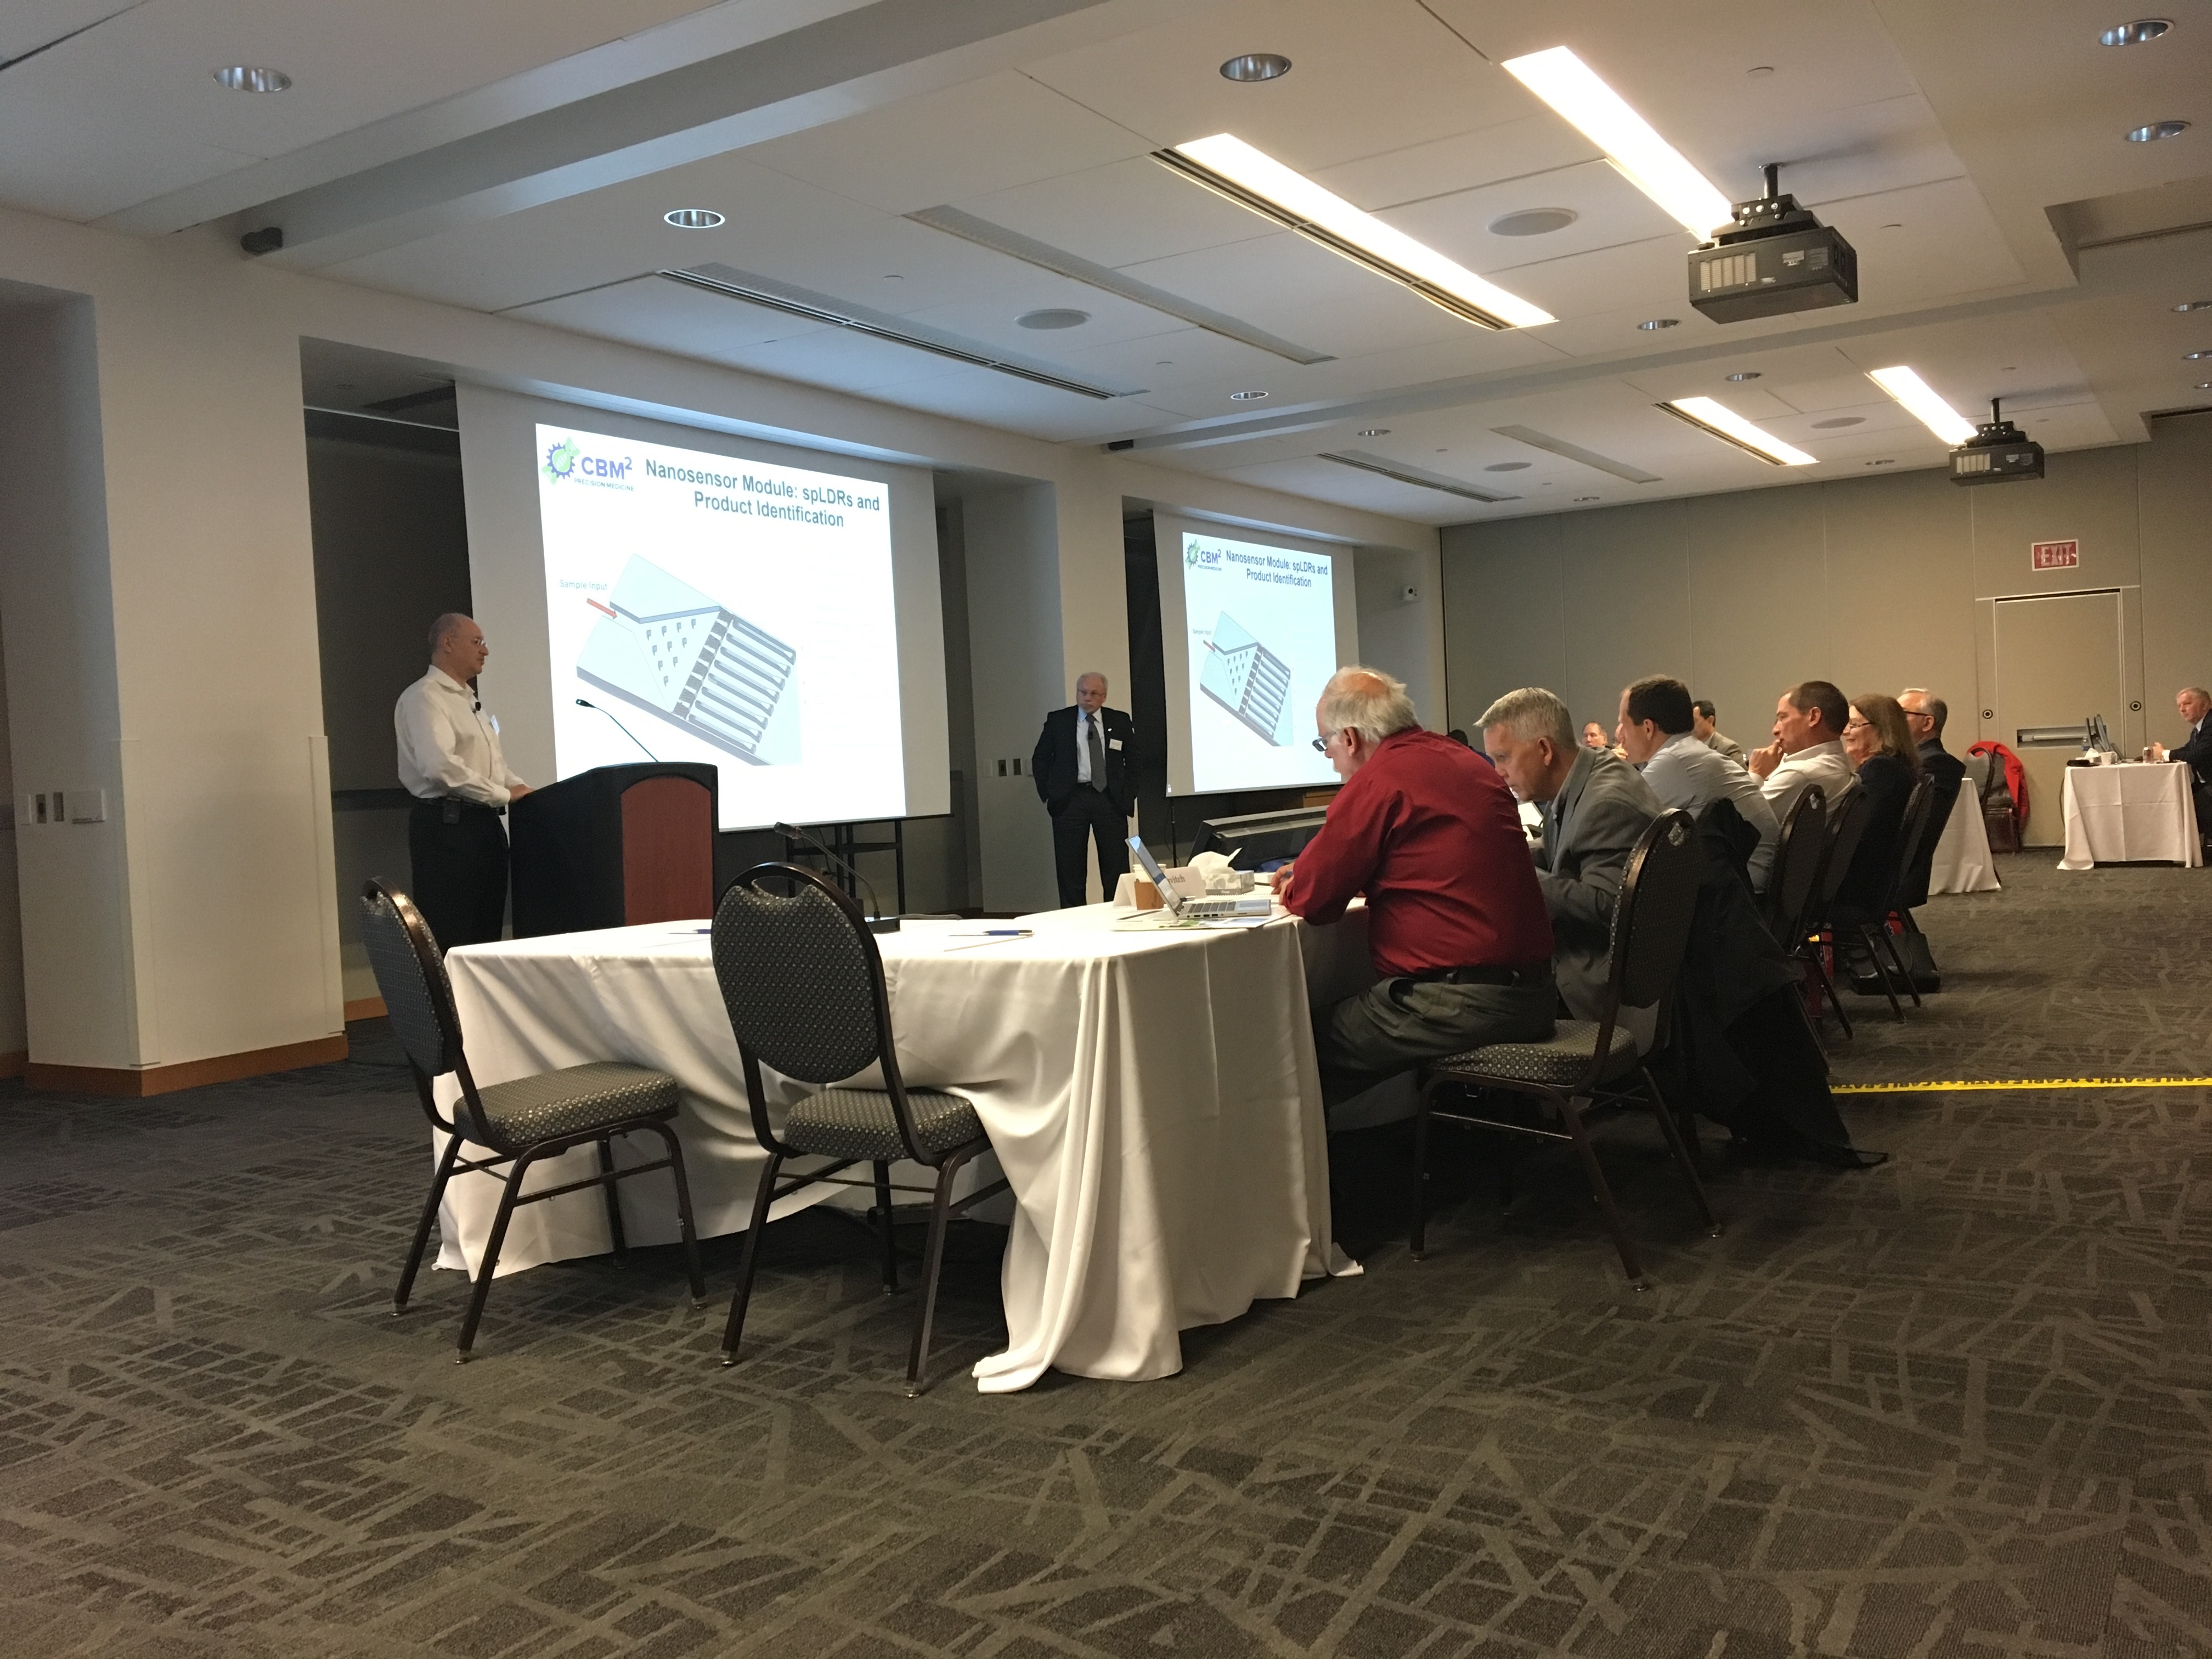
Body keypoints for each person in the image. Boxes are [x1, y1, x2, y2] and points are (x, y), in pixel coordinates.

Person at [1273, 669, 1554, 1103]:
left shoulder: (1380, 780)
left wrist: (1302, 876)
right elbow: (1437, 869)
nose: (1328, 758)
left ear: (1349, 738)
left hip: (1462, 1004)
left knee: (1288, 1052)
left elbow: (1313, 900)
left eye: (1324, 744)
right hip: (1532, 992)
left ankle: (1316, 1170)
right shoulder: (1469, 764)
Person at [1482, 687, 1661, 1025]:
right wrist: (1502, 855)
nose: (1497, 772)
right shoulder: (1590, 773)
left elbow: (1607, 903)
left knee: (1465, 999)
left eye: (1503, 757)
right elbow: (1561, 854)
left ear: (1545, 750)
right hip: (1598, 969)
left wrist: (1514, 875)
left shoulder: (1607, 804)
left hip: (1592, 992)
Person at [395, 613, 532, 949]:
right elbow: (439, 767)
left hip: (483, 827)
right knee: (452, 937)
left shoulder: (470, 702)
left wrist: (525, 791)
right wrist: (503, 794)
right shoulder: (426, 697)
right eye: (477, 642)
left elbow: (492, 766)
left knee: (486, 938)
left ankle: (478, 1004)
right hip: (448, 830)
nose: (485, 651)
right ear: (447, 643)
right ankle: (451, 1004)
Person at [1616, 675, 1780, 893]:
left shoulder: (1674, 761)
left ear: (1648, 728)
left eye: (1623, 724)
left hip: (1741, 897)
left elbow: (1618, 827)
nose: (1619, 735)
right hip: (1755, 886)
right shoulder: (1689, 751)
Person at [1032, 672, 1136, 909]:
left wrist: (1127, 794)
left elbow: (1134, 761)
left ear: (1104, 697)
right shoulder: (1059, 721)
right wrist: (1049, 793)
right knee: (1071, 869)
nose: (1087, 698)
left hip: (1109, 800)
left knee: (1115, 867)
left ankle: (1118, 914)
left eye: (1094, 694)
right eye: (1083, 692)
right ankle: (1073, 918)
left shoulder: (1119, 721)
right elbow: (1040, 759)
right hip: (1071, 800)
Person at [1832, 693, 1920, 923]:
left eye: (1853, 725)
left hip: (1858, 891)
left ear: (1882, 728)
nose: (1844, 732)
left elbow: (1860, 835)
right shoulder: (1893, 766)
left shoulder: (1881, 770)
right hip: (1875, 885)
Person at [1746, 681, 1856, 822]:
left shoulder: (1799, 774)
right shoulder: (1844, 763)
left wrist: (1756, 773)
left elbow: (1738, 824)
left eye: (1783, 718)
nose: (1775, 730)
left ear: (1814, 717)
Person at [1897, 687, 1964, 910]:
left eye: (1900, 715)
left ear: (1927, 724)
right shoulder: (1913, 761)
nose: (1892, 722)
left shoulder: (1933, 764)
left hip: (1895, 873)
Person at [2148, 686, 2212, 843]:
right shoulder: (2200, 729)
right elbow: (2188, 749)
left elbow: (2197, 756)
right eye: (2180, 706)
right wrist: (2164, 755)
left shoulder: (2210, 726)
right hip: (2204, 785)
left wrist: (2165, 754)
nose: (2182, 709)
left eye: (2187, 704)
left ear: (2205, 705)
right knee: (2175, 796)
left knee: (2178, 804)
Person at [1693, 699, 1747, 767]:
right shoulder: (1689, 747)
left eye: (1695, 721)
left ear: (1710, 721)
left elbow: (1741, 776)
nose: (1690, 726)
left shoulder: (1728, 748)